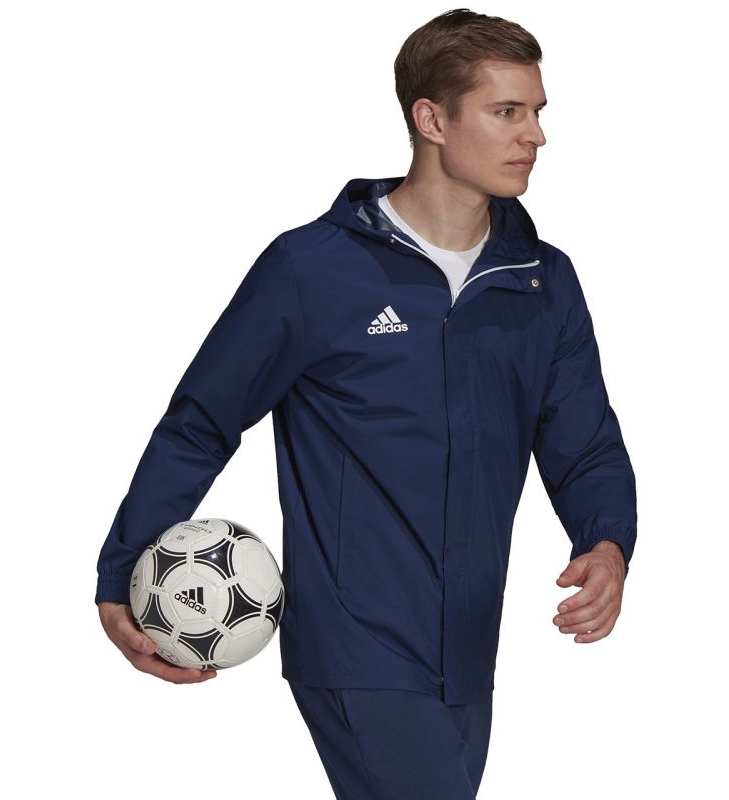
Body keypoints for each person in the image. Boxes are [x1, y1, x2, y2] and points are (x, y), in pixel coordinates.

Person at [96, 8, 637, 798]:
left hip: (469, 650)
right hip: (358, 647)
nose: (536, 135)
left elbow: (584, 445)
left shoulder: (541, 281)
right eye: (506, 111)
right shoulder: (312, 270)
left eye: (537, 111)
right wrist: (121, 574)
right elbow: (200, 424)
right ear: (432, 120)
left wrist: (607, 542)